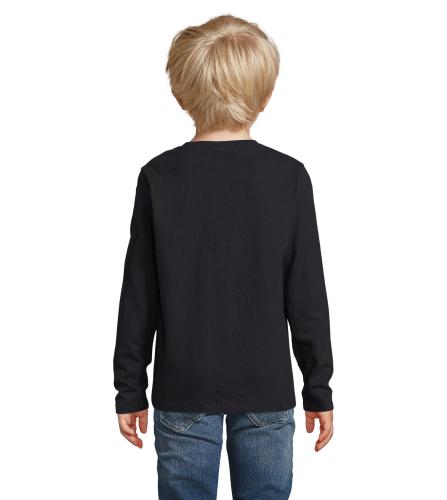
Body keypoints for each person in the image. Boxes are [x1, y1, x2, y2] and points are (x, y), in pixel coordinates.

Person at [113, 14, 334, 499]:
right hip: (266, 389)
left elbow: (139, 295)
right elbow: (307, 295)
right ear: (265, 95)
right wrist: (318, 387)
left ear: (180, 93)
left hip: (183, 388)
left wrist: (129, 388)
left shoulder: (160, 177)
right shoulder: (288, 178)